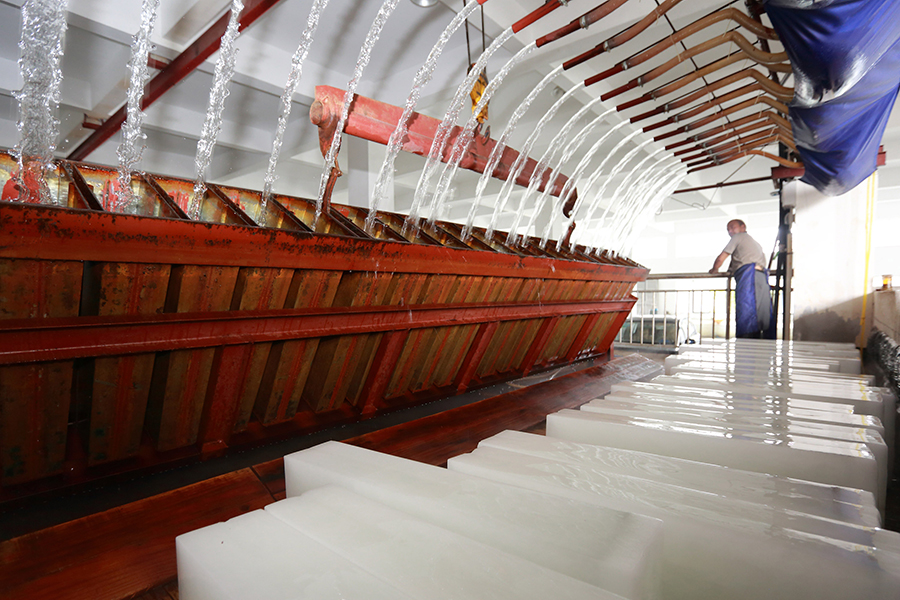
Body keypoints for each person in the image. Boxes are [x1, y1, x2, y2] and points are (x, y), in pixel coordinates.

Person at [709, 219, 774, 338]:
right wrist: (730, 271)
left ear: (743, 227)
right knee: (762, 313)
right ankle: (765, 346)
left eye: (732, 227)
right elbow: (735, 261)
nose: (730, 231)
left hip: (749, 275)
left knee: (747, 311)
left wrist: (714, 269)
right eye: (728, 229)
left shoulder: (738, 237)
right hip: (760, 276)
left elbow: (722, 257)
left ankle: (747, 344)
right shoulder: (753, 243)